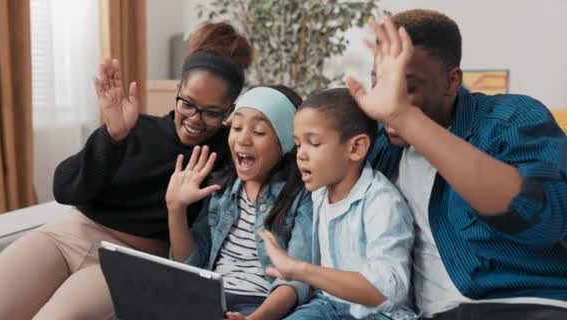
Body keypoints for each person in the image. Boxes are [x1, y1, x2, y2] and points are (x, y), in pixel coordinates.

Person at [0, 22, 252, 320]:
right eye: (187, 103)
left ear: (230, 111)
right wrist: (112, 136)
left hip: (129, 261)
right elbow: (64, 189)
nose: (195, 119)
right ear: (178, 90)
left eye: (212, 112)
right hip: (69, 236)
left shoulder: (231, 158)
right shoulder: (134, 127)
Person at [343, 9, 567, 320]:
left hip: (526, 305)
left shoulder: (509, 120)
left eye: (407, 86)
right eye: (380, 82)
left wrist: (406, 118)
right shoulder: (379, 145)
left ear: (451, 82)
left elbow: (544, 219)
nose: (388, 99)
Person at [258, 88, 416, 320]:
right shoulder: (319, 193)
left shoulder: (382, 202)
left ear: (355, 148)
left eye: (313, 143)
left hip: (380, 314)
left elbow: (386, 292)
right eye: (298, 144)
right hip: (329, 305)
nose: (300, 155)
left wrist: (299, 269)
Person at [166, 86, 313, 319]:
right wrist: (176, 208)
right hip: (209, 300)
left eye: (259, 131)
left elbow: (296, 282)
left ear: (285, 142)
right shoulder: (221, 191)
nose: (243, 139)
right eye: (237, 127)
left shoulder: (301, 198)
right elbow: (190, 263)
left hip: (259, 306)